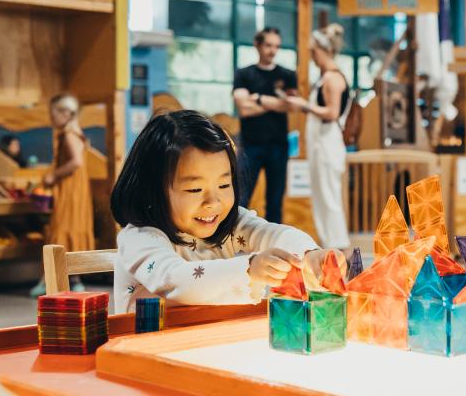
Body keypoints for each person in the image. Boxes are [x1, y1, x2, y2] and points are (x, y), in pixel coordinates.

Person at [111, 109, 336, 314]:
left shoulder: (232, 223)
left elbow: (272, 234)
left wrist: (309, 254)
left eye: (224, 186)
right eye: (195, 189)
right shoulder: (139, 239)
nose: (213, 202)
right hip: (143, 349)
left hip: (207, 343)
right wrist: (248, 269)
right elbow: (176, 280)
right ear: (153, 190)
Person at [233, 27, 300, 224]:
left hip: (278, 146)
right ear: (258, 45)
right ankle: (234, 240)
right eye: (268, 45)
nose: (272, 50)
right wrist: (275, 104)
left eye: (276, 46)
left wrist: (259, 98)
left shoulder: (287, 75)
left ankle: (275, 243)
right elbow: (243, 109)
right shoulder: (244, 74)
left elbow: (290, 105)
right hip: (250, 145)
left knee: (275, 202)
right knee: (241, 199)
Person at [32, 93, 94, 296]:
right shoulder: (76, 132)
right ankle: (74, 280)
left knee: (59, 229)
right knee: (70, 228)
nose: (51, 119)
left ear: (65, 113)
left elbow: (76, 162)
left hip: (69, 190)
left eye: (53, 114)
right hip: (76, 190)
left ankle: (48, 280)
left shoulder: (68, 134)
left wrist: (53, 176)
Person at [301, 24, 353, 249]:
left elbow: (332, 112)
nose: (312, 57)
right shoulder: (324, 78)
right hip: (319, 145)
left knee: (330, 200)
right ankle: (329, 245)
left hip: (327, 145)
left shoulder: (333, 79)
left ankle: (338, 248)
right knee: (321, 199)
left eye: (313, 52)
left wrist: (303, 105)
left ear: (323, 50)